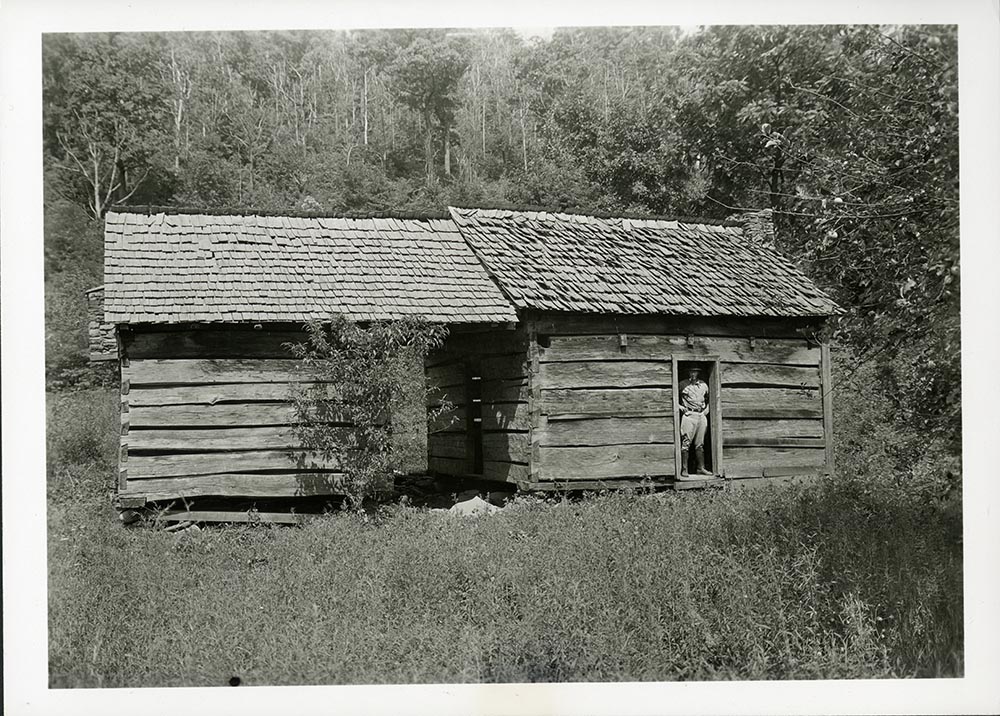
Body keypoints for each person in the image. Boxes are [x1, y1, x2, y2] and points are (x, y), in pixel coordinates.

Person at [678, 366, 713, 478]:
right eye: (691, 371)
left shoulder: (703, 385)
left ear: (698, 373)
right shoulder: (682, 384)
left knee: (700, 444)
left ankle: (700, 468)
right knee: (686, 442)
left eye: (695, 372)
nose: (693, 374)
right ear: (688, 372)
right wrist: (679, 406)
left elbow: (711, 398)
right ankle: (684, 469)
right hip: (689, 415)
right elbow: (671, 396)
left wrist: (707, 409)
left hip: (701, 415)